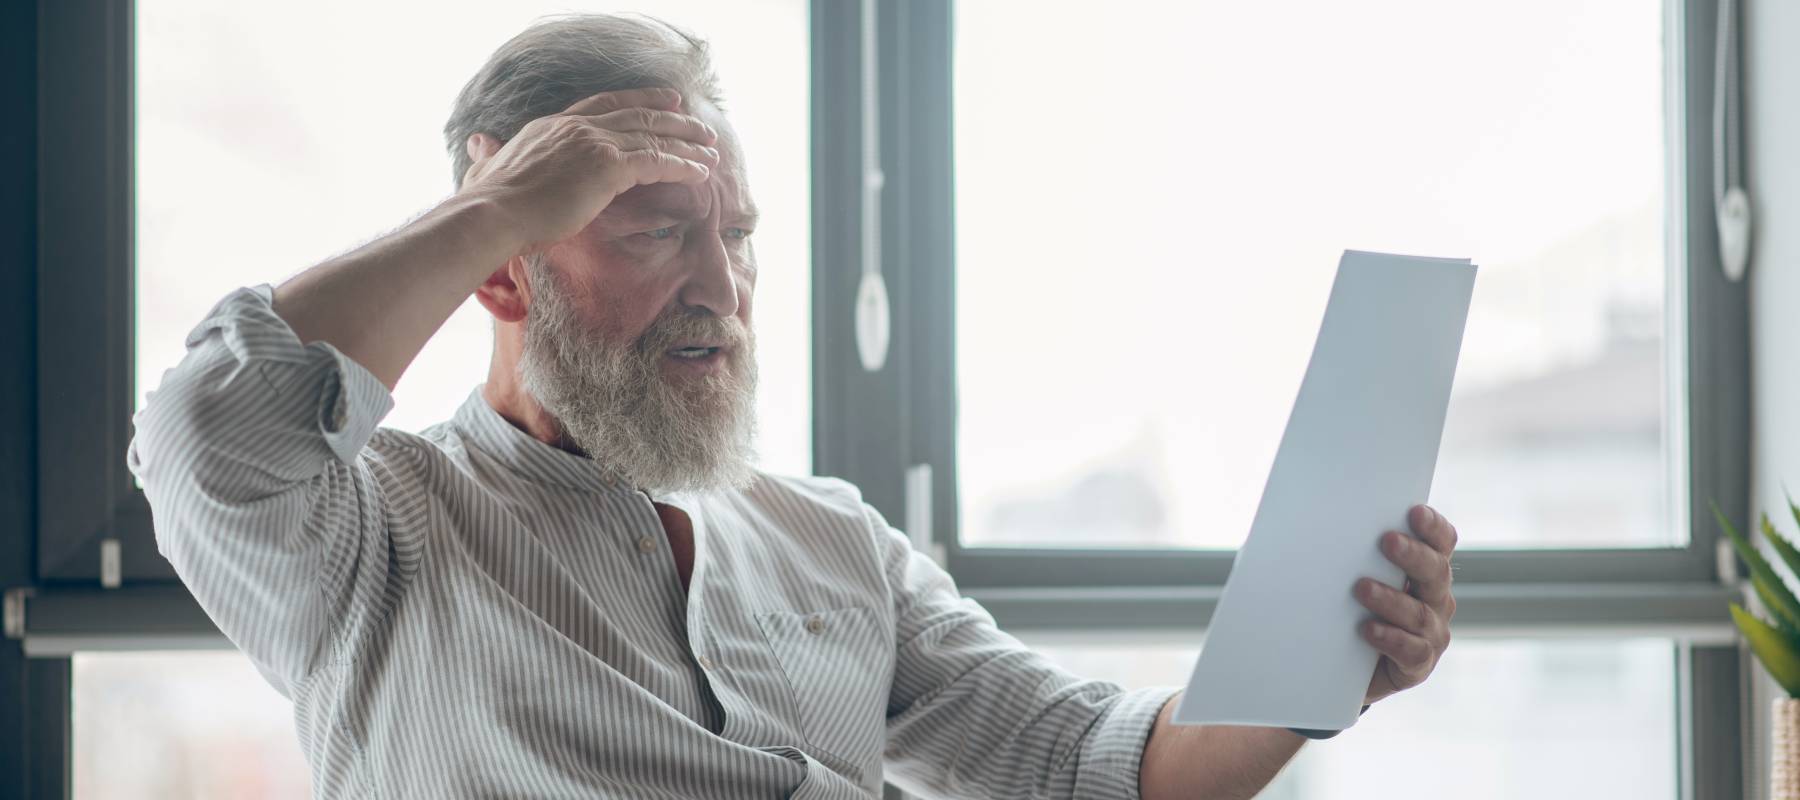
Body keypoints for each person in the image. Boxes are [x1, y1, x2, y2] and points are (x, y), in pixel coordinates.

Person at [128, 13, 1458, 800]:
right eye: (654, 231)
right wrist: (497, 203)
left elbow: (1093, 765)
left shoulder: (831, 540)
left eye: (740, 235)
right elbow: (208, 431)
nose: (723, 286)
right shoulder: (370, 536)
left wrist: (1320, 666)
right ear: (504, 267)